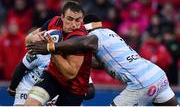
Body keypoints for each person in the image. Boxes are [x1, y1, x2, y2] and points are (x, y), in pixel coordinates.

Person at [27, 14, 178, 106]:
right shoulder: (110, 33)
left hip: (141, 83)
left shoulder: (96, 35)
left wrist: (52, 47)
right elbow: (102, 63)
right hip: (157, 74)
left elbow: (87, 42)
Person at [24, 1, 93, 106]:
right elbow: (28, 41)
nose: (74, 25)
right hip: (52, 76)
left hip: (74, 87)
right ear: (62, 17)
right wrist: (35, 39)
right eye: (69, 19)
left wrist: (51, 48)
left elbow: (70, 74)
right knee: (30, 104)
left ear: (82, 19)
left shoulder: (80, 38)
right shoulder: (54, 22)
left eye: (78, 20)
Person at [7, 29, 95, 106]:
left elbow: (90, 90)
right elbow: (21, 68)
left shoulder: (69, 57)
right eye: (46, 42)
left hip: (53, 89)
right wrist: (12, 88)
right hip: (28, 86)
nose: (48, 46)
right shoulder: (37, 52)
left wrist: (78, 94)